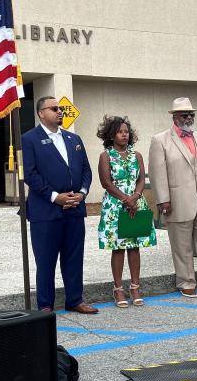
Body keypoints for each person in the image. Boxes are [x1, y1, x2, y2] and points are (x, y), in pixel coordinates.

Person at [22, 96, 98, 314]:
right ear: (41, 113)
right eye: (54, 108)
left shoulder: (73, 138)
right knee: (45, 260)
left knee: (74, 257)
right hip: (46, 211)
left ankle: (75, 300)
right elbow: (30, 174)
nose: (60, 112)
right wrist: (55, 197)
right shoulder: (29, 139)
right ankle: (45, 304)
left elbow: (86, 170)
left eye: (61, 108)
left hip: (75, 208)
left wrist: (82, 193)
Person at [148, 97, 197, 298]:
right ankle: (186, 282)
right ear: (175, 117)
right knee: (181, 245)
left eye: (191, 114)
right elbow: (157, 172)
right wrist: (162, 199)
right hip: (177, 200)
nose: (189, 117)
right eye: (185, 114)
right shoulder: (160, 140)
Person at [96, 115, 156, 308]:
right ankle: (118, 289)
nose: (124, 135)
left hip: (136, 204)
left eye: (126, 131)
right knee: (119, 247)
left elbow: (141, 179)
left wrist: (135, 197)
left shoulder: (136, 155)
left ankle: (135, 287)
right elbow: (106, 182)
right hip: (116, 206)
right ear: (111, 135)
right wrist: (125, 199)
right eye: (120, 132)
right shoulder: (105, 156)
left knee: (134, 246)